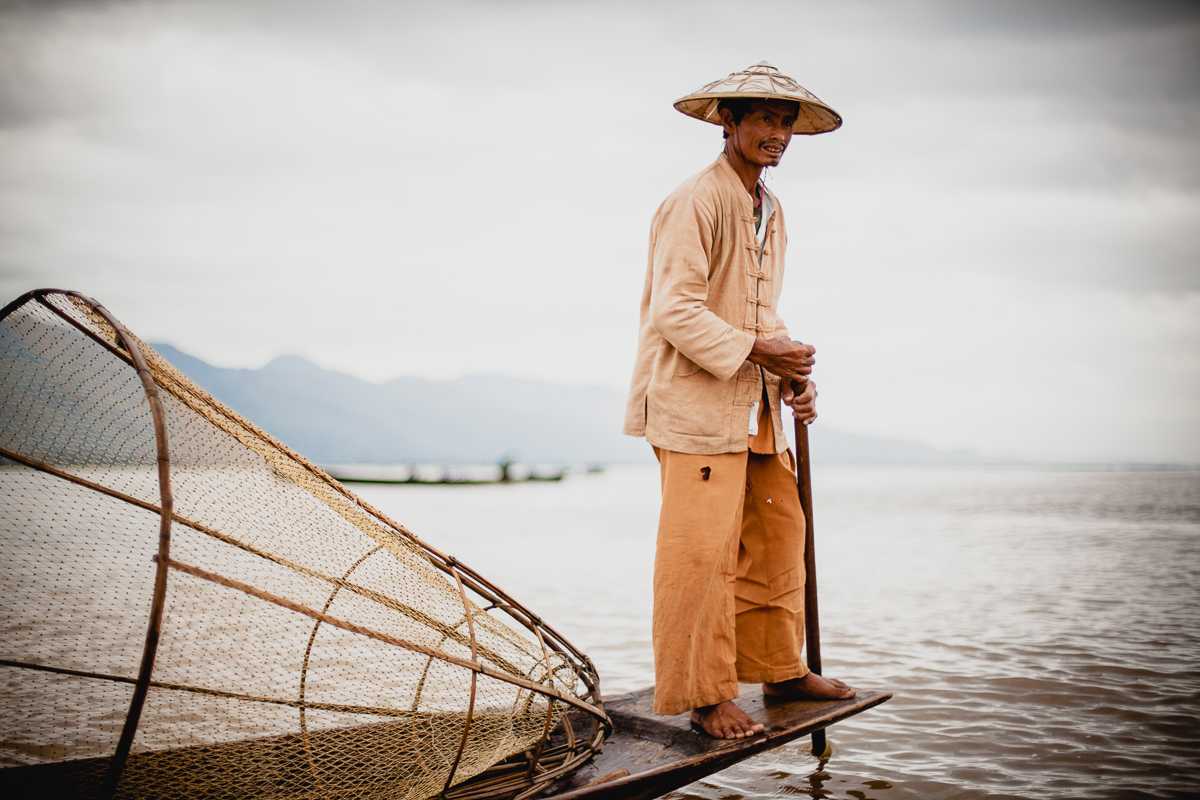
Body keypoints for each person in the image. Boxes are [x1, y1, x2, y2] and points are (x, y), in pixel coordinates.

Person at [623, 62, 855, 739]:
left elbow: (762, 314)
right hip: (694, 409)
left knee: (782, 534)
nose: (775, 134)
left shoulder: (770, 209)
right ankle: (703, 693)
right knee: (701, 555)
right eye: (762, 119)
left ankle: (780, 669)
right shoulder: (696, 200)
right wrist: (764, 352)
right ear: (727, 121)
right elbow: (676, 312)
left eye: (784, 123)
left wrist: (794, 377)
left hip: (755, 409)